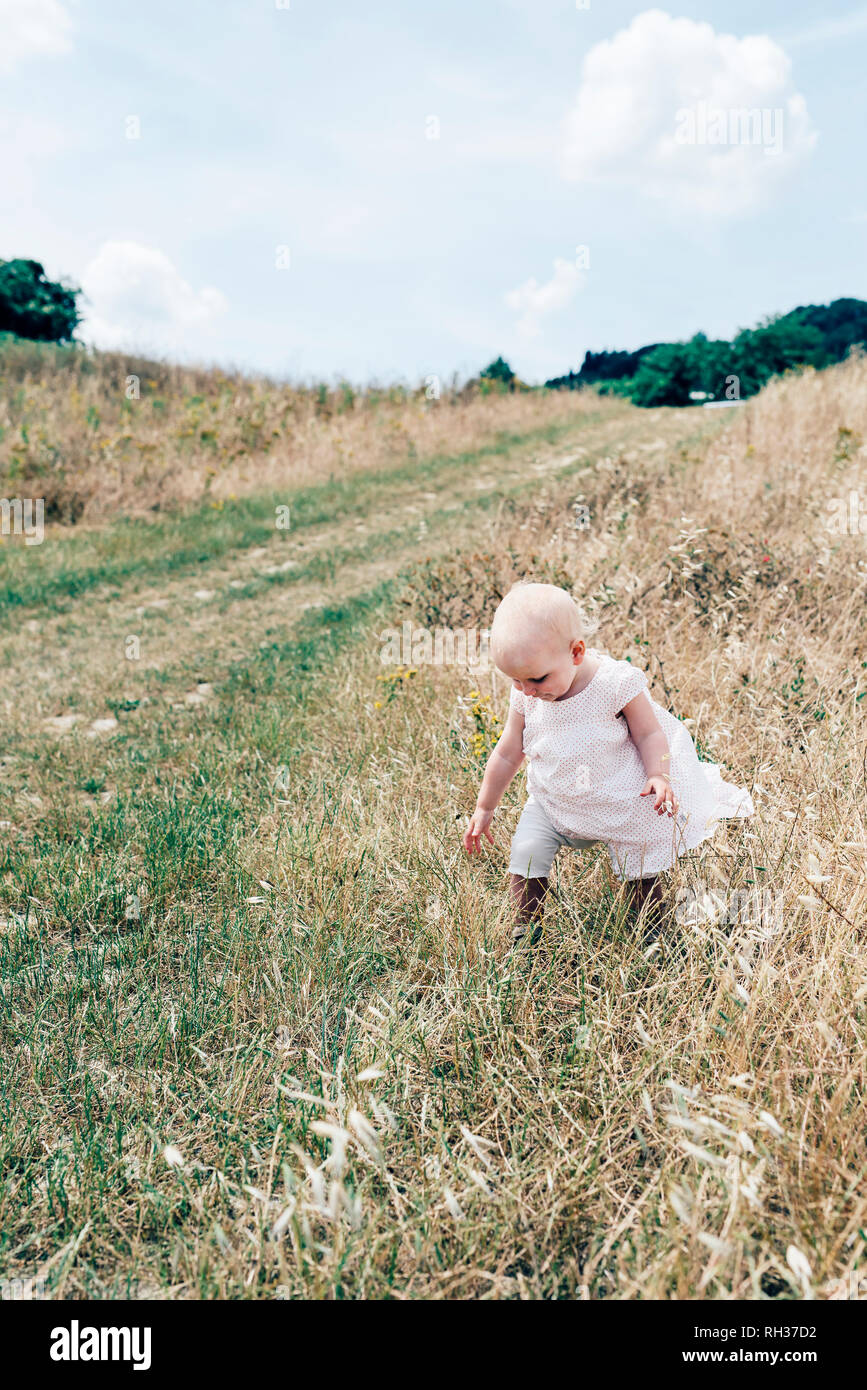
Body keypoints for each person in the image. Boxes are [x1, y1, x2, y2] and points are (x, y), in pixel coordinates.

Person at [463, 582, 754, 945]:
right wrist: (484, 806)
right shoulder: (527, 694)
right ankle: (527, 930)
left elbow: (650, 734)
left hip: (620, 799)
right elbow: (508, 751)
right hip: (553, 799)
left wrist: (658, 775)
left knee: (641, 864)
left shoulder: (615, 684)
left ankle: (652, 929)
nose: (528, 690)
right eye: (516, 681)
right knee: (526, 852)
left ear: (576, 652)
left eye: (537, 679)